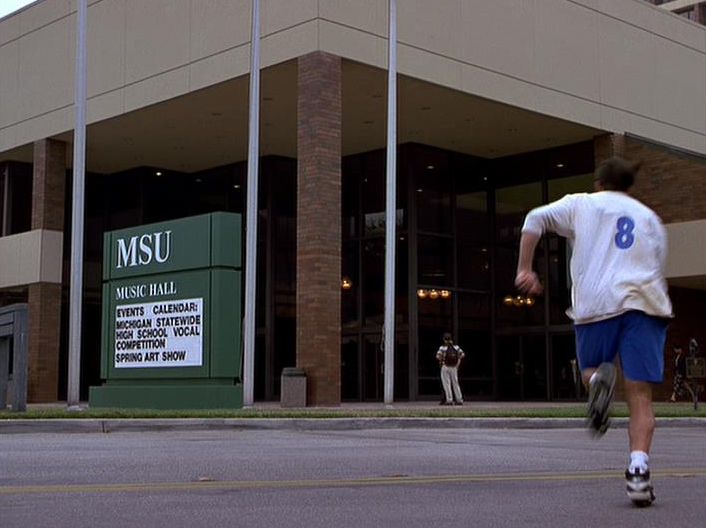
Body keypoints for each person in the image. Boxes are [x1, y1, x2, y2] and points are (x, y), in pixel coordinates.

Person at [515, 156, 672, 507]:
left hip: (596, 303)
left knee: (589, 369)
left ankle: (597, 380)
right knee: (640, 395)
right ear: (629, 187)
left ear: (599, 183)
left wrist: (525, 269)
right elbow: (657, 266)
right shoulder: (650, 218)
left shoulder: (581, 203)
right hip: (644, 304)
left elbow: (534, 219)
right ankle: (638, 472)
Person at [436, 333, 464, 406]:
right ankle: (459, 399)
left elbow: (438, 356)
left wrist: (442, 360)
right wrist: (457, 363)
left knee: (447, 384)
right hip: (454, 367)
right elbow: (462, 354)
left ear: (444, 339)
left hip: (445, 366)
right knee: (455, 383)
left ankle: (449, 400)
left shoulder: (442, 348)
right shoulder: (456, 347)